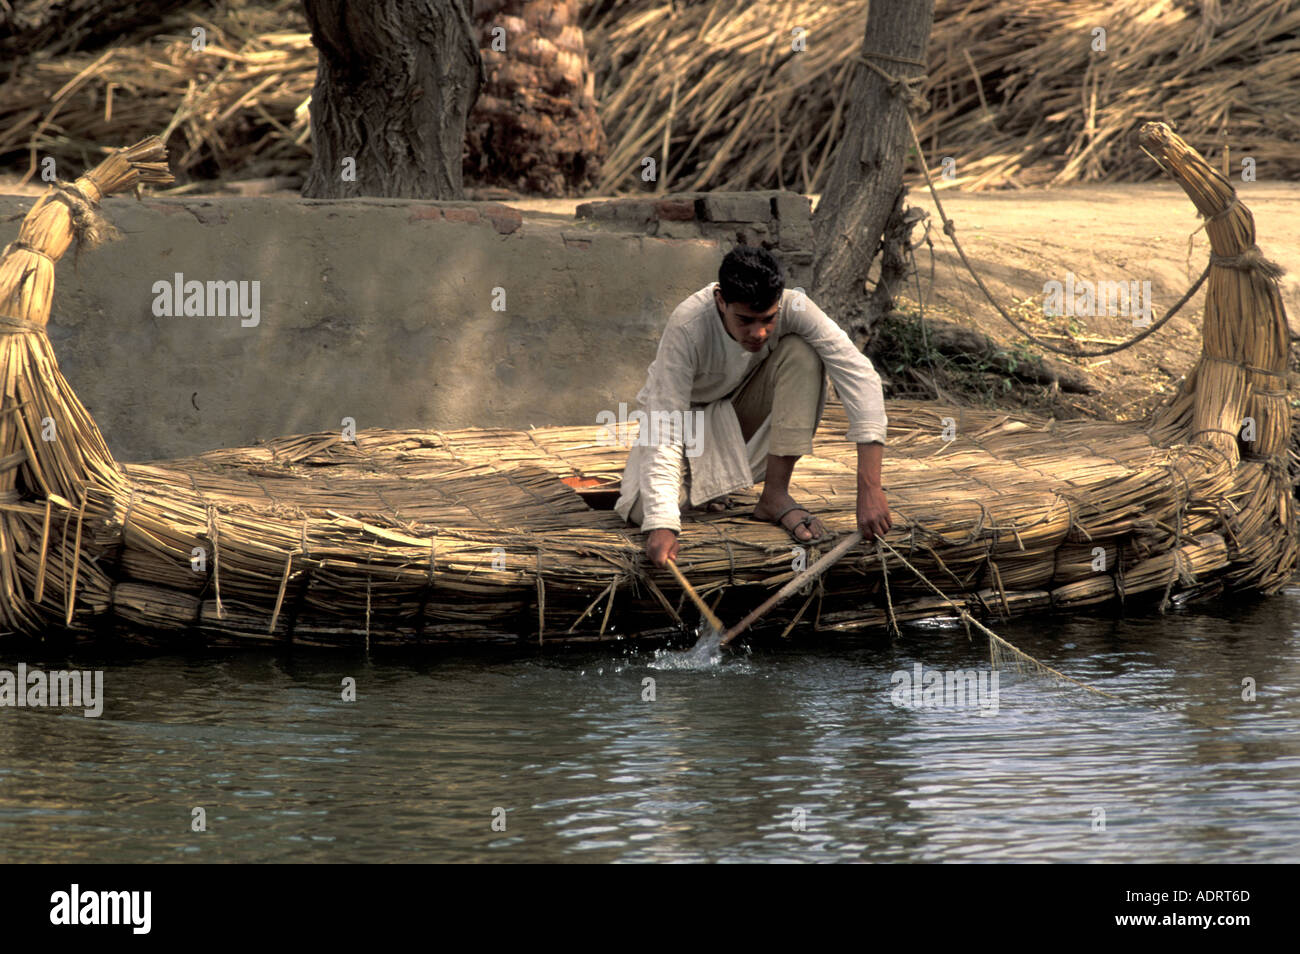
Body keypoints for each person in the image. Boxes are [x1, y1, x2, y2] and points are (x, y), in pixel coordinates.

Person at [614, 245, 891, 568]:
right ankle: (705, 489)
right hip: (687, 427)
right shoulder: (687, 324)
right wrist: (663, 524)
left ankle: (775, 495)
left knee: (802, 353)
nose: (758, 332)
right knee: (642, 512)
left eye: (768, 319)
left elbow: (859, 375)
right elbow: (664, 424)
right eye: (745, 320)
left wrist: (870, 487)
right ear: (721, 300)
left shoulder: (796, 306)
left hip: (740, 415)